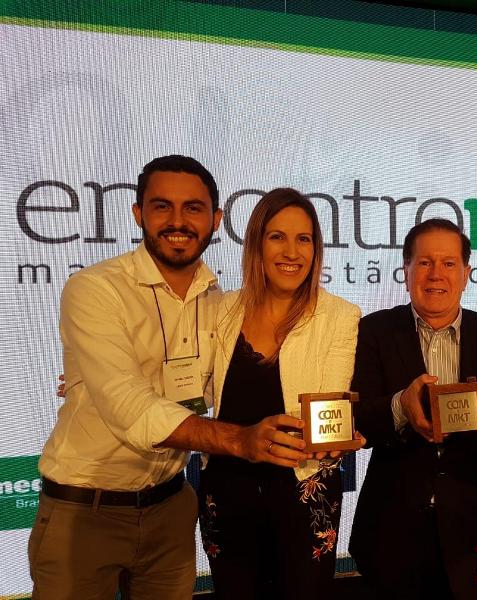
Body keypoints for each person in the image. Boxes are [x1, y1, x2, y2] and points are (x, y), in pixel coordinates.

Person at [30, 155, 303, 600]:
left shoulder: (218, 301)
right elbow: (127, 404)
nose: (178, 221)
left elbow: (224, 386)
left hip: (172, 511)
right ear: (138, 213)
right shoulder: (95, 288)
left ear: (216, 220)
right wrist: (240, 440)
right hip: (85, 510)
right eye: (162, 207)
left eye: (194, 208)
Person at [198, 187, 363, 599]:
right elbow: (184, 382)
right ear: (256, 243)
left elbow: (331, 407)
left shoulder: (340, 316)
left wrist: (337, 441)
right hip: (227, 491)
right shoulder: (219, 309)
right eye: (277, 236)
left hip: (304, 492)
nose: (292, 251)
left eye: (303, 239)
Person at [349, 218, 477, 599]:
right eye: (424, 262)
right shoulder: (372, 332)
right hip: (390, 538)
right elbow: (354, 424)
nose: (435, 274)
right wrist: (400, 407)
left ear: (466, 273)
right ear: (405, 270)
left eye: (448, 263)